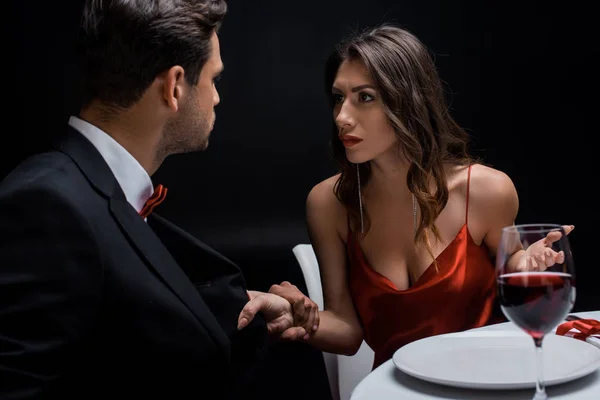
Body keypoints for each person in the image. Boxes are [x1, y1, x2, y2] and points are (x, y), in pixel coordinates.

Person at [0, 1, 317, 399]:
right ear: (175, 86)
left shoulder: (95, 191)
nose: (216, 97)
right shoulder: (44, 205)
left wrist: (253, 315)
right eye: (213, 79)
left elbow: (124, 326)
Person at [241, 24, 573, 370]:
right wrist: (299, 316)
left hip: (489, 382)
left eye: (364, 97)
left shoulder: (486, 191)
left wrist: (528, 262)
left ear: (408, 101)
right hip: (396, 389)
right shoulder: (329, 204)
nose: (342, 116)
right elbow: (348, 332)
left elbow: (511, 267)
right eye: (339, 97)